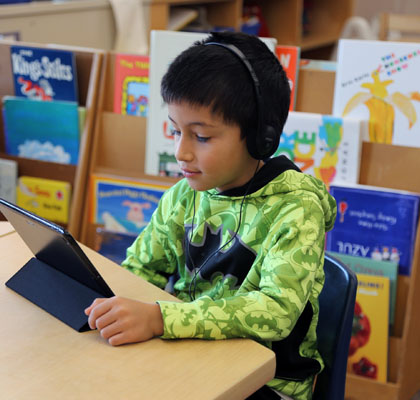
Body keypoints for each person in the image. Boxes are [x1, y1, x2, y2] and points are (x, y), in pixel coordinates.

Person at [85, 31, 337, 400]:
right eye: (175, 131)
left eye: (201, 137)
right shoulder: (185, 195)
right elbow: (140, 268)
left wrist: (160, 318)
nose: (181, 152)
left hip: (267, 381)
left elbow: (275, 312)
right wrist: (110, 305)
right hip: (187, 353)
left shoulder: (296, 210)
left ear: (259, 138)